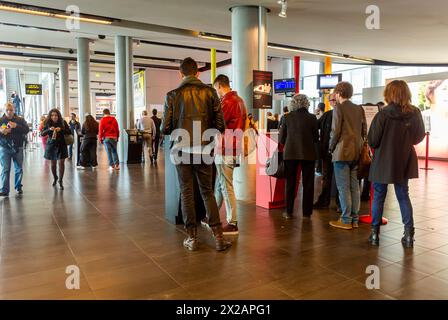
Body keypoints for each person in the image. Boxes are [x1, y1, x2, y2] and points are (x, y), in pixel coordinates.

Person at [161, 57, 230, 252]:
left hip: (181, 150)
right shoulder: (210, 93)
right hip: (205, 150)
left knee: (187, 192)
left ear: (180, 73)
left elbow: (165, 128)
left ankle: (192, 238)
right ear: (198, 73)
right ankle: (218, 238)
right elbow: (220, 125)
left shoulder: (172, 95)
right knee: (207, 191)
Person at [368, 80, 426, 247]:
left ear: (389, 93)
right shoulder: (415, 113)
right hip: (404, 159)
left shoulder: (383, 114)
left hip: (383, 161)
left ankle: (374, 235)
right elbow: (418, 137)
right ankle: (409, 236)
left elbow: (373, 140)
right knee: (403, 195)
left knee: (379, 196)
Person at [329, 81, 367, 230]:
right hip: (356, 152)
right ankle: (355, 219)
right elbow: (364, 131)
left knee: (343, 187)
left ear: (338, 93)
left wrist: (331, 147)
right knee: (355, 187)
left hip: (342, 152)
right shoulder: (359, 109)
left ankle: (345, 219)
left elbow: (336, 131)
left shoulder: (338, 108)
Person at [212, 74, 247, 235]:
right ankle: (211, 216)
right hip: (234, 146)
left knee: (226, 186)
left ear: (219, 85)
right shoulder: (240, 100)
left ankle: (232, 223)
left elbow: (217, 124)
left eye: (215, 88)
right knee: (221, 185)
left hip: (225, 147)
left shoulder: (227, 101)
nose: (216, 92)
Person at [279, 94, 319, 219]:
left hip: (290, 153)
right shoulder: (313, 118)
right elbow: (315, 138)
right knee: (308, 183)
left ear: (293, 103)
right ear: (307, 103)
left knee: (290, 182)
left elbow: (281, 139)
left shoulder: (287, 118)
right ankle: (307, 213)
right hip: (308, 154)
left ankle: (289, 211)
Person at [314, 93, 341, 211]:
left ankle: (326, 201)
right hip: (336, 152)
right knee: (337, 178)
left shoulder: (328, 115)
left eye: (332, 100)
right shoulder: (328, 115)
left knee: (330, 177)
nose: (332, 102)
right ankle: (340, 204)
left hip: (332, 151)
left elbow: (315, 127)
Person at [0, 102, 29, 196]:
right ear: (4, 110)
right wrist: (1, 131)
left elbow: (26, 130)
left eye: (11, 110)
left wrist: (16, 126)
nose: (9, 112)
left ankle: (18, 187)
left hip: (18, 147)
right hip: (4, 147)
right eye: (7, 110)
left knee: (19, 169)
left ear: (14, 110)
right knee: (5, 169)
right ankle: (4, 190)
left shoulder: (20, 120)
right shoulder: (1, 120)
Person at [41, 109, 71, 190]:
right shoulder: (47, 123)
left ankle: (60, 180)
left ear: (58, 116)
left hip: (61, 145)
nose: (54, 117)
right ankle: (55, 177)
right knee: (53, 164)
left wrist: (61, 129)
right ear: (50, 116)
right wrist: (49, 129)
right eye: (52, 115)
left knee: (61, 163)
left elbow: (69, 132)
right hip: (51, 145)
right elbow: (42, 134)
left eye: (56, 115)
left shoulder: (62, 122)